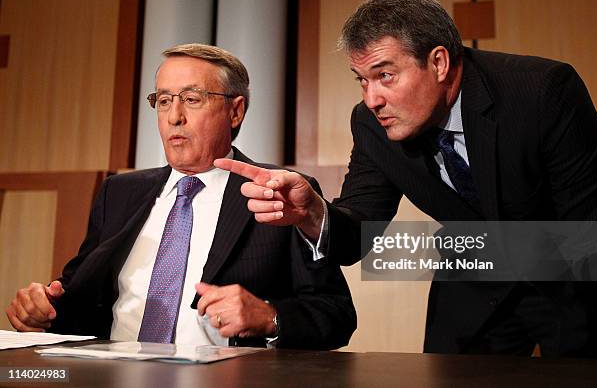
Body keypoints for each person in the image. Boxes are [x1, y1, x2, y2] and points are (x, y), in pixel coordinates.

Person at [215, 0, 597, 356]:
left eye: (385, 76)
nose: (372, 99)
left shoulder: (543, 92)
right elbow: (359, 233)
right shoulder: (371, 124)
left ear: (438, 62)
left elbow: (590, 234)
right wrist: (314, 213)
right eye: (362, 81)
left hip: (574, 285)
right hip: (471, 290)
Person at [5, 43, 356, 350]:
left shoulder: (278, 192)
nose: (174, 117)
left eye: (191, 99)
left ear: (235, 111)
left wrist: (270, 317)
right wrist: (43, 310)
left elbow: (336, 314)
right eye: (163, 101)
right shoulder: (120, 192)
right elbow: (79, 296)